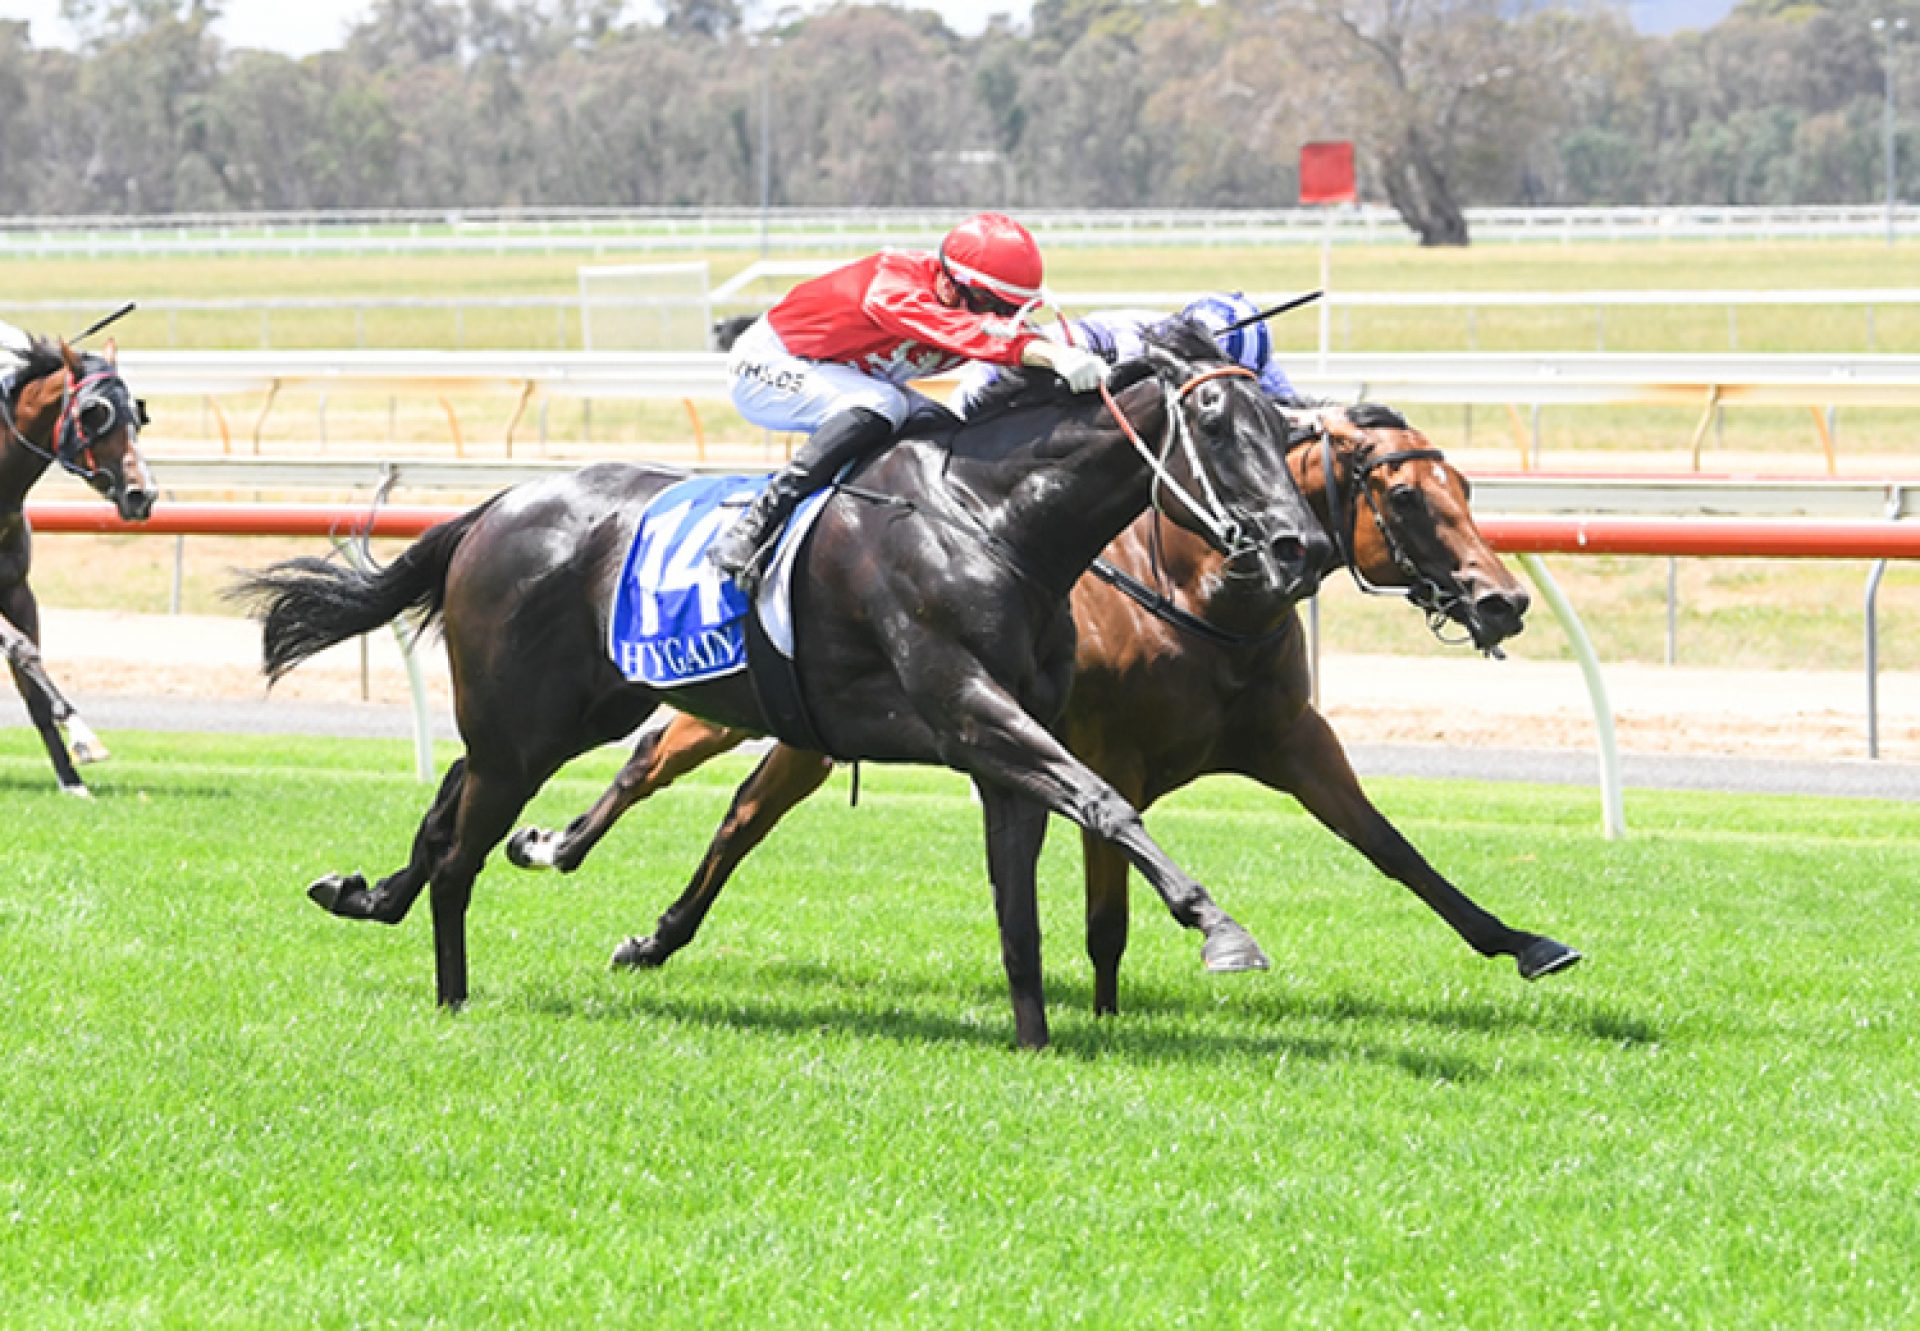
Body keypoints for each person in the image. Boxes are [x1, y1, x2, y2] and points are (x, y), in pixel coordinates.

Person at [708, 212, 1108, 593]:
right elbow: (969, 333)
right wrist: (1049, 355)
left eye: (1013, 309)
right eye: (997, 307)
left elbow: (1013, 341)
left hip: (847, 373)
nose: (1006, 318)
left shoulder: (970, 302)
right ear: (954, 287)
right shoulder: (894, 283)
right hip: (769, 364)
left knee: (944, 425)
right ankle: (754, 528)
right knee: (882, 404)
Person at [952, 291, 1299, 418]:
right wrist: (963, 412)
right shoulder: (1129, 339)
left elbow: (1286, 411)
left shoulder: (1256, 357)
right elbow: (1017, 348)